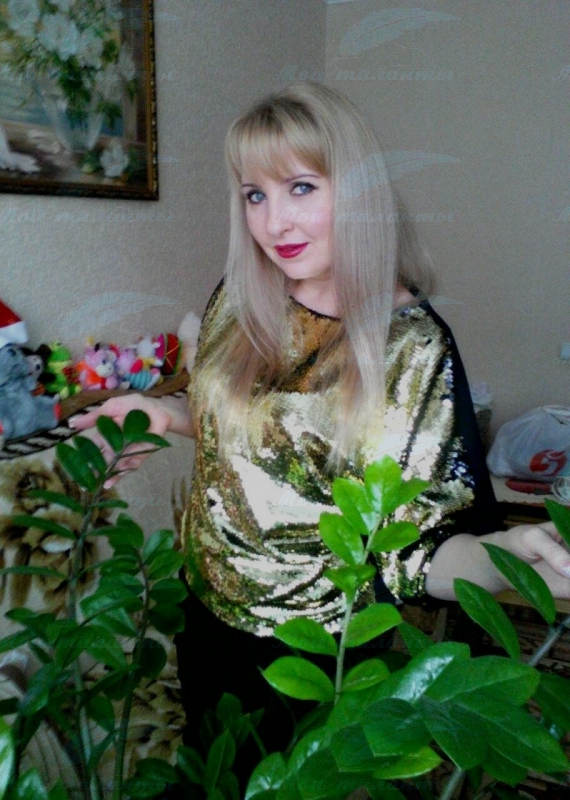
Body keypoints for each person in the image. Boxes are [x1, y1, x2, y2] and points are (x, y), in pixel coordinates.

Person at [71, 82, 570, 780]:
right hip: (204, 605)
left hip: (313, 648)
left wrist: (509, 553)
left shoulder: (409, 346)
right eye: (255, 195)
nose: (274, 222)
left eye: (301, 187)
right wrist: (161, 415)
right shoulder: (240, 298)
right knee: (211, 774)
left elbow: (416, 551)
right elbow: (251, 442)